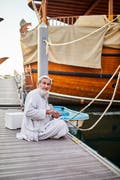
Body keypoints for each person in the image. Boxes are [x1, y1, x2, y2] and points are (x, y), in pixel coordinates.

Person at [16, 75, 69, 141]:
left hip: (43, 125)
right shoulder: (33, 94)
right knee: (61, 125)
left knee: (61, 123)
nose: (46, 86)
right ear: (38, 84)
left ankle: (49, 133)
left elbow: (45, 113)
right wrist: (48, 112)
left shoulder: (44, 95)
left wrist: (53, 115)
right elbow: (28, 112)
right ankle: (43, 135)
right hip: (33, 128)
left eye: (48, 84)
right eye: (44, 83)